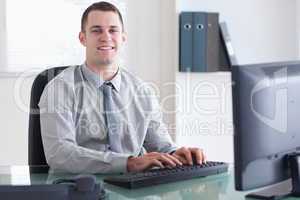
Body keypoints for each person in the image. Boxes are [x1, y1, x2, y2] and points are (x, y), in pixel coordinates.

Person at [39, 1, 206, 174]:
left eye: (113, 30)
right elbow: (60, 154)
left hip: (134, 189)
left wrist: (176, 154)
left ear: (123, 38)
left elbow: (160, 144)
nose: (106, 37)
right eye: (96, 30)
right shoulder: (59, 89)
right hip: (80, 187)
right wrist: (128, 163)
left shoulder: (142, 91)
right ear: (83, 38)